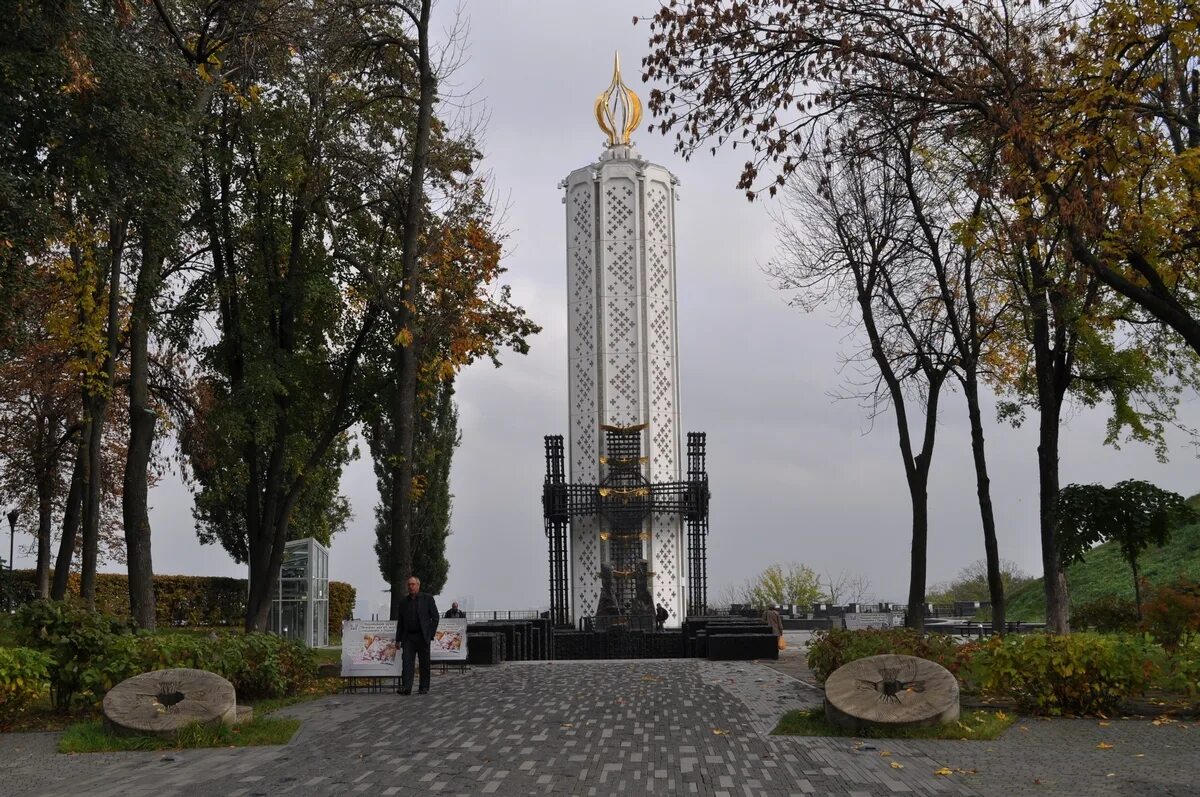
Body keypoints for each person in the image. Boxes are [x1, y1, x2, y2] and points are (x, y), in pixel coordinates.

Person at [396, 576, 439, 695]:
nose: (411, 587)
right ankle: (406, 688)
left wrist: (430, 634)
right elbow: (400, 622)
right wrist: (398, 639)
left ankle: (424, 686)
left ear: (418, 585)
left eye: (413, 584)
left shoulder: (427, 599)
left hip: (423, 636)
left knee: (424, 663)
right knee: (407, 662)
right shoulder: (403, 602)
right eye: (409, 584)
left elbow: (435, 618)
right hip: (408, 637)